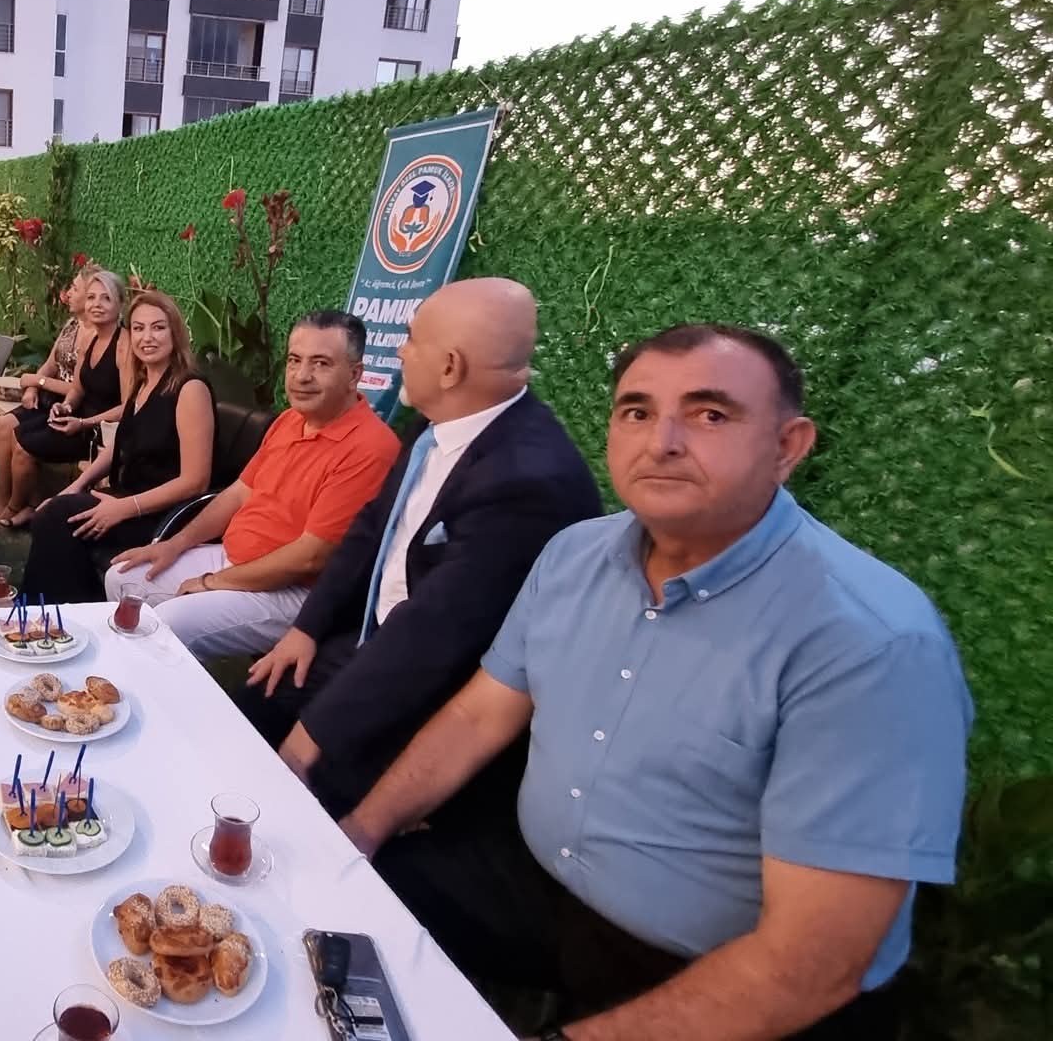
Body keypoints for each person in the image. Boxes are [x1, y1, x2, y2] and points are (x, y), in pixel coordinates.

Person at [349, 324, 971, 1040]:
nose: (663, 442)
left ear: (787, 447)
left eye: (710, 414)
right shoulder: (573, 555)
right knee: (339, 912)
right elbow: (481, 713)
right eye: (637, 411)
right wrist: (360, 834)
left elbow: (811, 964)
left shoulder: (871, 646)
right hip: (542, 885)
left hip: (715, 967)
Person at [240, 280, 603, 823]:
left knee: (309, 799)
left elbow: (435, 630)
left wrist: (310, 737)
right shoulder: (437, 422)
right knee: (249, 707)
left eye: (410, 339)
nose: (401, 352)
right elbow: (371, 528)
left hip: (435, 691)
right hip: (369, 641)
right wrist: (306, 629)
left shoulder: (526, 479)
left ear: (450, 367)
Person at [105, 311, 400, 660]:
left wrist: (210, 583)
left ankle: (168, 686)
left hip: (294, 591)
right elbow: (238, 492)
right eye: (294, 360)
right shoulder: (290, 420)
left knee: (171, 622)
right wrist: (175, 544)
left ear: (354, 375)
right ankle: (149, 677)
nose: (302, 376)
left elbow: (309, 558)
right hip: (233, 558)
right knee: (122, 578)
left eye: (321, 363)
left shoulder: (370, 447)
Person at [21, 291, 213, 604]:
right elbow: (120, 443)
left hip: (162, 514)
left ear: (175, 333)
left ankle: (49, 614)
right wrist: (75, 486)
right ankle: (62, 611)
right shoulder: (144, 381)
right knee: (56, 512)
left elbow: (196, 481)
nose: (147, 337)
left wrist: (125, 508)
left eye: (158, 327)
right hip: (126, 498)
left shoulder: (190, 388)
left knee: (55, 519)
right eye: (138, 328)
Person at [0, 265, 128, 528]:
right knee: (19, 433)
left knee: (24, 446)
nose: (97, 304)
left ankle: (15, 507)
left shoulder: (124, 346)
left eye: (106, 298)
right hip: (78, 420)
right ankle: (27, 506)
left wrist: (82, 423)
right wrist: (65, 406)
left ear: (120, 305)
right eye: (91, 297)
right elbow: (77, 389)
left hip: (101, 432)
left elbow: (128, 407)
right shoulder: (90, 341)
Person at [0, 269, 86, 521]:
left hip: (71, 407)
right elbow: (50, 364)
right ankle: (5, 496)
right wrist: (32, 388)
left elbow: (80, 388)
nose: (68, 293)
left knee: (18, 437)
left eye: (75, 288)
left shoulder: (96, 337)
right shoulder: (72, 325)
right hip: (47, 399)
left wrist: (37, 381)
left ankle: (21, 503)